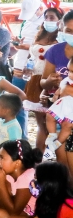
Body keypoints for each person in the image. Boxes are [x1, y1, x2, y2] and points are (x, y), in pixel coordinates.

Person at [25, 4, 63, 151]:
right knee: (41, 124)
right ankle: (39, 160)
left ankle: (57, 156)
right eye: (46, 17)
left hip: (54, 81)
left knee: (53, 123)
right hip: (36, 80)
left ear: (60, 20)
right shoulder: (39, 35)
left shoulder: (62, 39)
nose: (48, 20)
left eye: (52, 17)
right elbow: (34, 58)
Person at [40, 9, 73, 164]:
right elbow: (43, 82)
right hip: (59, 112)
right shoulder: (55, 51)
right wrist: (49, 83)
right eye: (69, 31)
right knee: (62, 160)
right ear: (62, 28)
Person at [46, 57, 73, 161]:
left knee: (67, 125)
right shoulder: (67, 80)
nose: (70, 74)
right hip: (65, 107)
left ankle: (57, 143)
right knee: (50, 115)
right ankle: (52, 135)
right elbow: (60, 90)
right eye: (69, 71)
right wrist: (55, 97)